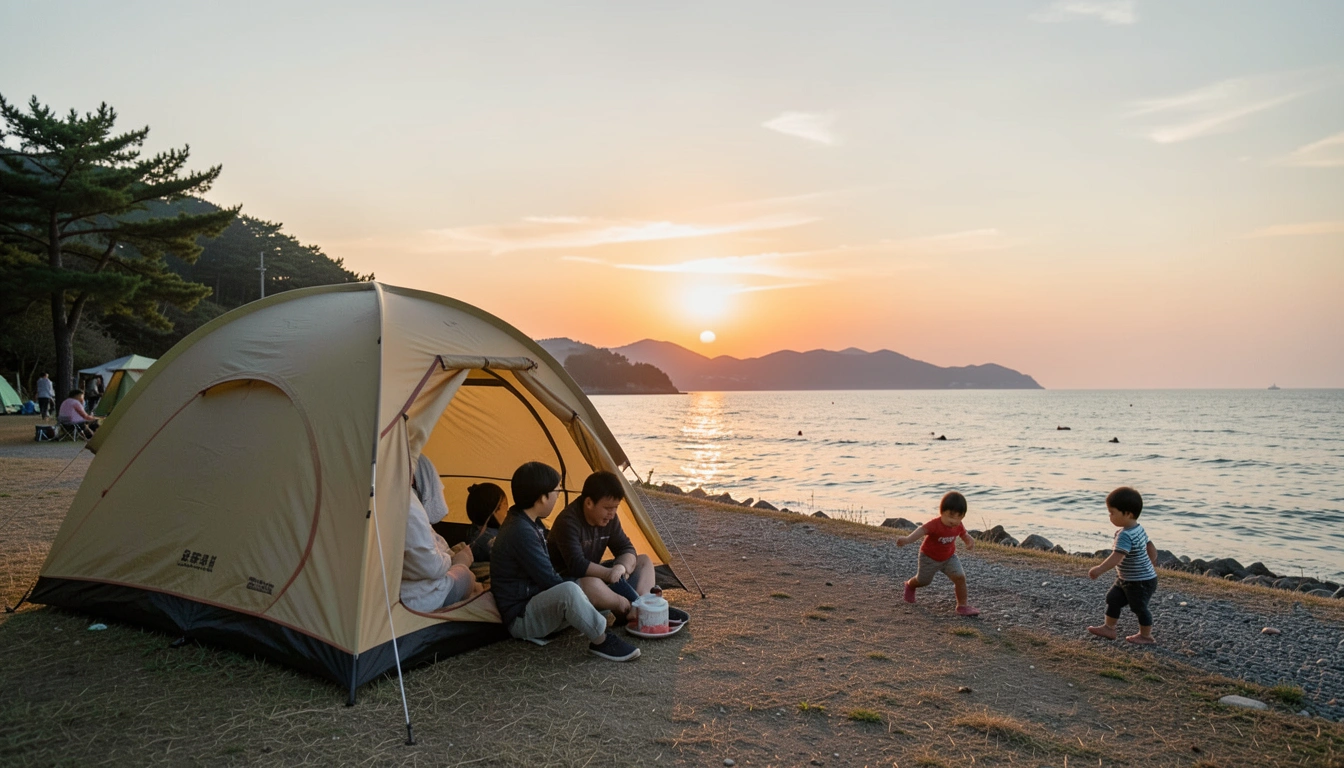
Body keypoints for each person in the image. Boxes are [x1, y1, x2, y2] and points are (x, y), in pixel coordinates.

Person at [491, 461, 640, 662]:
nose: (558, 496)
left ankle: (638, 607)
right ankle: (602, 640)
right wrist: (582, 596)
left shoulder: (527, 522)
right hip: (521, 617)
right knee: (570, 589)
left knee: (583, 587)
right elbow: (549, 580)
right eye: (556, 492)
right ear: (542, 497)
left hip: (534, 603)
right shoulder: (521, 531)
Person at [548, 470, 689, 627]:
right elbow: (577, 565)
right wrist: (609, 574)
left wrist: (622, 567)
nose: (612, 513)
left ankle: (643, 605)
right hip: (571, 584)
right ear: (589, 503)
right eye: (608, 508)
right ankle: (627, 608)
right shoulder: (568, 522)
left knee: (643, 561)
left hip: (599, 577)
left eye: (616, 507)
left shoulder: (609, 519)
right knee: (591, 583)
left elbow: (626, 548)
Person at [400, 455, 478, 613]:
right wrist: (457, 562)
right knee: (466, 576)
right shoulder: (409, 508)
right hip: (412, 598)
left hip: (397, 591)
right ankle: (479, 592)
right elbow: (430, 567)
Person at [1087, 487, 1159, 645]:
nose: (1110, 516)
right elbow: (1150, 546)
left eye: (1112, 512)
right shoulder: (1137, 529)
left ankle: (1146, 636)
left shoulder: (1125, 535)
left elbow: (1117, 557)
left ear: (1128, 514)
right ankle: (1109, 628)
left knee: (1139, 607)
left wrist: (1099, 569)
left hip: (1140, 581)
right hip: (1128, 578)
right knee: (1113, 599)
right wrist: (1152, 561)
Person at [895, 491, 980, 616]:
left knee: (960, 577)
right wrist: (908, 540)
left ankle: (962, 606)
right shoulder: (935, 524)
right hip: (929, 557)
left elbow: (963, 534)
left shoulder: (958, 525)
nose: (954, 521)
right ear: (942, 512)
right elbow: (921, 530)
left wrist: (969, 540)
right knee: (923, 581)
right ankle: (910, 585)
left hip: (949, 557)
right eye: (951, 516)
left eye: (959, 517)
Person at [464, 482, 508, 562]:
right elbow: (509, 556)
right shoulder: (485, 539)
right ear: (493, 511)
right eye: (504, 504)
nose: (507, 511)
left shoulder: (491, 532)